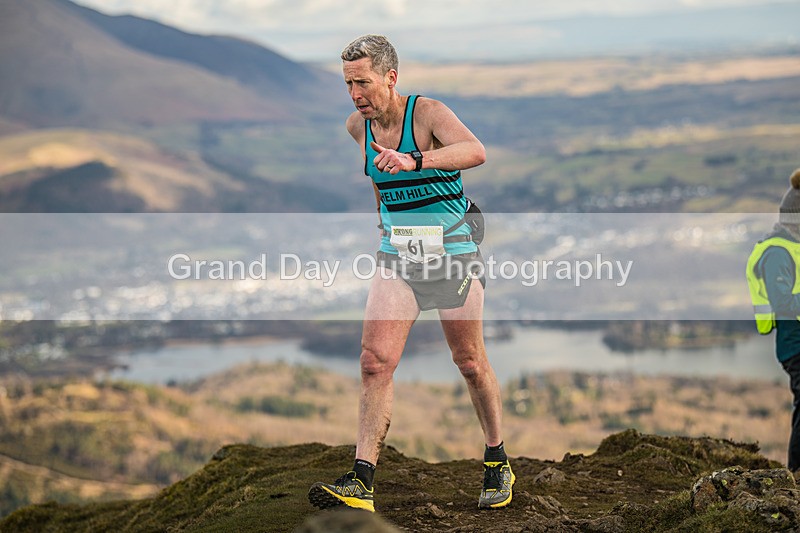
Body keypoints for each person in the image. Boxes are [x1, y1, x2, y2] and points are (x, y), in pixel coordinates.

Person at [308, 35, 513, 512]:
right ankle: (361, 481)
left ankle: (497, 460)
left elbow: (475, 151)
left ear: (390, 78)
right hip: (398, 256)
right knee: (374, 361)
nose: (355, 93)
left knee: (469, 362)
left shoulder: (426, 114)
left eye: (362, 82)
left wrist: (415, 159)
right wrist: (384, 216)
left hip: (453, 252)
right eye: (347, 84)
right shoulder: (356, 128)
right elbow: (378, 180)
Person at [746, 168, 800, 472]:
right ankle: (796, 474)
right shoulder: (778, 253)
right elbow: (783, 303)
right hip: (795, 345)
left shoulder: (794, 247)